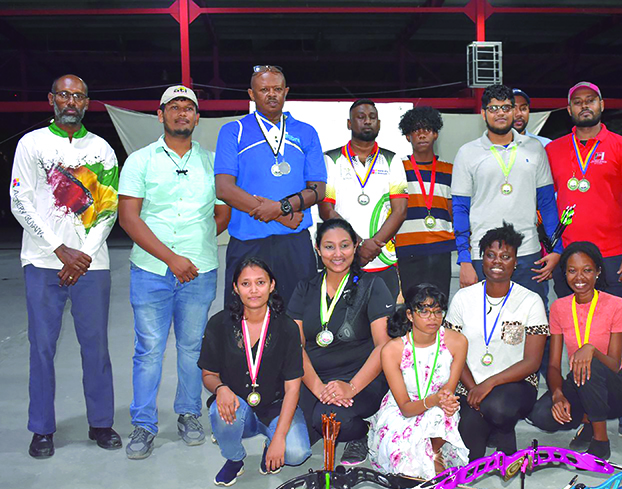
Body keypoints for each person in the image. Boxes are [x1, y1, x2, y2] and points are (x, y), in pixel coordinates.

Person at [118, 85, 231, 459]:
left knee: (191, 347)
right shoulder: (140, 160)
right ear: (160, 114)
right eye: (174, 108)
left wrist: (193, 248)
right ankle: (144, 424)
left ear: (197, 118)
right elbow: (129, 218)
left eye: (189, 108)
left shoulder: (212, 161)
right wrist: (171, 257)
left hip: (199, 271)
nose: (182, 114)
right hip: (151, 270)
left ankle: (188, 414)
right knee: (148, 349)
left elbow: (222, 214)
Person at [11, 74, 121, 458]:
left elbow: (108, 209)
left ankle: (101, 423)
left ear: (87, 102)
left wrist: (83, 255)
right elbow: (19, 201)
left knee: (96, 348)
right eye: (63, 94)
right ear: (51, 99)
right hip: (43, 261)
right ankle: (42, 429)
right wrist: (60, 249)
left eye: (78, 95)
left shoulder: (102, 149)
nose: (70, 101)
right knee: (41, 348)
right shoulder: (32, 144)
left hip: (92, 264)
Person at [545, 81, 622, 437]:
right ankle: (585, 405)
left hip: (617, 254)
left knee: (621, 332)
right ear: (569, 109)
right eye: (577, 102)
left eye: (590, 100)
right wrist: (552, 251)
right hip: (569, 259)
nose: (584, 106)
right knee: (571, 330)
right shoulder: (554, 150)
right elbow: (544, 203)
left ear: (602, 104)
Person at [215, 65, 326, 306]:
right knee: (241, 318)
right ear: (251, 94)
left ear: (286, 92)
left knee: (299, 316)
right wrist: (279, 214)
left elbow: (318, 189)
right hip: (248, 243)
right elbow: (224, 189)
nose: (271, 94)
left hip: (294, 242)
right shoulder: (234, 130)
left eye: (277, 89)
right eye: (264, 89)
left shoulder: (306, 132)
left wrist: (281, 208)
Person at [288, 218, 394, 465]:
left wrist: (352, 387)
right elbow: (296, 346)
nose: (337, 254)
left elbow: (383, 346)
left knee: (330, 418)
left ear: (356, 246)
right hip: (314, 378)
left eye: (344, 245)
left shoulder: (372, 286)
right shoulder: (305, 288)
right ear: (317, 249)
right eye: (329, 247)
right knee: (288, 453)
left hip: (361, 378)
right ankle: (324, 416)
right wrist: (318, 389)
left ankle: (363, 431)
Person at [198, 258, 311, 486]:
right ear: (235, 288)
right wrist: (221, 389)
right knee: (221, 414)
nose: (253, 290)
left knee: (297, 453)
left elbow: (292, 388)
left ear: (271, 285)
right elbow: (208, 373)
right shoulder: (219, 324)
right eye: (245, 284)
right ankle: (235, 459)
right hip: (238, 404)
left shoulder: (287, 328)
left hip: (276, 405)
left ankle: (270, 441)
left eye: (260, 282)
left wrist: (279, 438)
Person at [444, 223, 548, 461]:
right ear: (482, 259)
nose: (497, 262)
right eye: (491, 255)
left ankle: (503, 427)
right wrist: (473, 389)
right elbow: (450, 352)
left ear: (515, 262)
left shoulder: (530, 301)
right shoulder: (463, 298)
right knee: (470, 457)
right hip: (469, 384)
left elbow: (532, 362)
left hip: (515, 385)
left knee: (498, 408)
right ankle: (490, 428)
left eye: (505, 256)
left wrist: (488, 384)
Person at [452, 84, 561, 304]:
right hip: (483, 254)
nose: (500, 113)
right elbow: (460, 209)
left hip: (528, 251)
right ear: (483, 113)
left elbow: (547, 204)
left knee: (535, 318)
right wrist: (464, 259)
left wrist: (556, 248)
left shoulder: (535, 149)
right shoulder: (467, 153)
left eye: (506, 107)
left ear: (514, 111)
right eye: (493, 108)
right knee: (484, 320)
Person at [530, 242, 622, 460]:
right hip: (578, 381)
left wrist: (591, 350)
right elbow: (554, 364)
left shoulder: (617, 305)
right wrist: (557, 395)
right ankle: (588, 421)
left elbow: (614, 363)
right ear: (564, 273)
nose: (579, 277)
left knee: (590, 365)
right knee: (541, 415)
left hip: (613, 388)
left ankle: (600, 441)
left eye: (587, 270)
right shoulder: (559, 308)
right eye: (572, 270)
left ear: (598, 272)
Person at [368, 284, 469, 477]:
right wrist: (434, 400)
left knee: (440, 415)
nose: (432, 317)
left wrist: (442, 402)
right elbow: (405, 408)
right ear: (410, 315)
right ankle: (423, 459)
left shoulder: (458, 342)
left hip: (438, 407)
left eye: (438, 311)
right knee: (405, 468)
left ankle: (435, 452)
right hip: (402, 408)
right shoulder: (392, 350)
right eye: (424, 311)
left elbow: (448, 392)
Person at [319, 99, 408, 300]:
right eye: (360, 117)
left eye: (372, 117)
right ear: (349, 124)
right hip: (343, 258)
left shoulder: (392, 159)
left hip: (383, 257)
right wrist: (357, 245)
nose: (367, 121)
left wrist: (374, 244)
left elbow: (400, 211)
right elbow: (326, 209)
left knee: (385, 325)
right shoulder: (331, 159)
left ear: (379, 124)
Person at [394, 106, 456, 299]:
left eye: (427, 129)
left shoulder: (449, 169)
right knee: (412, 305)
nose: (421, 134)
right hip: (407, 247)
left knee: (439, 304)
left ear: (436, 134)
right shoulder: (398, 168)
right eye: (415, 130)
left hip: (441, 247)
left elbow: (453, 210)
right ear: (407, 136)